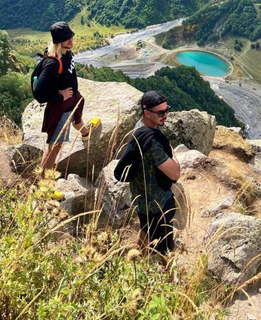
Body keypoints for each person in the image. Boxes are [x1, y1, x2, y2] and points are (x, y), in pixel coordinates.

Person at [115, 91, 180, 256]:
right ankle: (168, 278)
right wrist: (173, 155)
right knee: (165, 249)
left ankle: (135, 260)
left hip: (141, 200)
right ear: (146, 113)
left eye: (166, 110)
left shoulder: (139, 127)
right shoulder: (152, 145)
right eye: (160, 112)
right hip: (158, 204)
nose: (165, 115)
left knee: (145, 228)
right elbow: (175, 174)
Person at [34, 21, 100, 177]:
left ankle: (85, 132)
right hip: (60, 106)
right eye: (66, 38)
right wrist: (59, 96)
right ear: (58, 41)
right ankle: (45, 182)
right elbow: (38, 92)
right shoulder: (52, 62)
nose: (70, 40)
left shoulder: (66, 51)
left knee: (77, 117)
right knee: (55, 145)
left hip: (71, 99)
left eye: (71, 36)